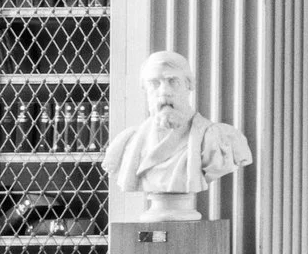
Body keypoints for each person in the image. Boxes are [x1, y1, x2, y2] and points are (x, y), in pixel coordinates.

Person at [102, 51, 253, 220]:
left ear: (189, 85)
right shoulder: (127, 144)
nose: (164, 91)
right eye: (154, 83)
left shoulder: (219, 139)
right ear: (144, 89)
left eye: (173, 82)